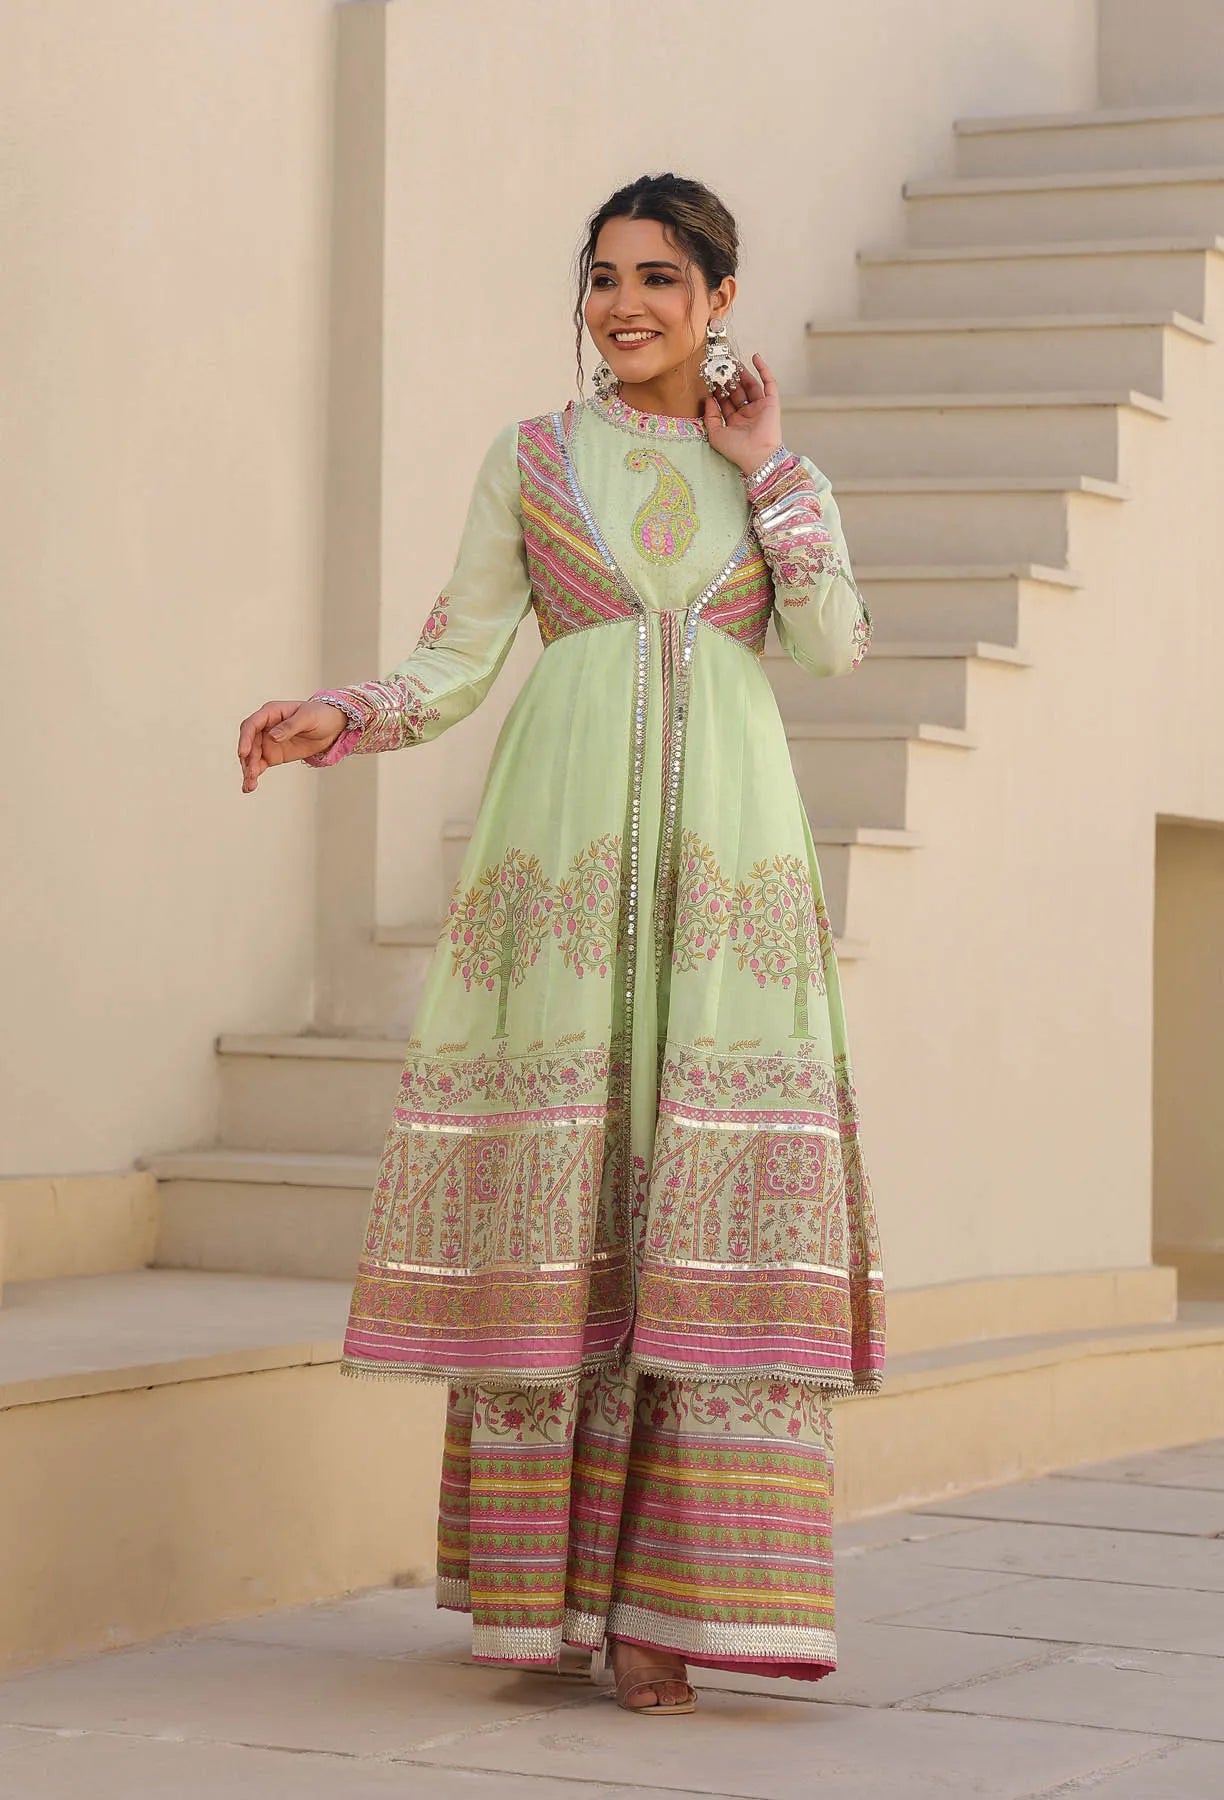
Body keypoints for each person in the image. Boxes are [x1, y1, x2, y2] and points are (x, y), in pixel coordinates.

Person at [238, 172, 884, 1716]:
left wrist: (769, 468)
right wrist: (341, 715)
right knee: (579, 1192)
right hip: (567, 861)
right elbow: (459, 655)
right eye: (604, 277)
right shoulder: (531, 460)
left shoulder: (774, 472)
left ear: (720, 299)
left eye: (659, 278)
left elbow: (832, 645)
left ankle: (675, 1609)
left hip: (729, 862)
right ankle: (554, 1596)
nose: (624, 305)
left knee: (702, 1203)